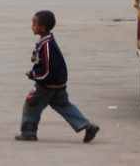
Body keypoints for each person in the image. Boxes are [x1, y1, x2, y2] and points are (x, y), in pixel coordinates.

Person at [15, 10, 100, 143]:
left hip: (48, 84)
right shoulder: (45, 41)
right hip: (57, 83)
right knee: (63, 105)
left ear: (42, 28)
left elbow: (49, 70)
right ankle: (87, 126)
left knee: (31, 103)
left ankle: (28, 132)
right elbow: (42, 57)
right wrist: (35, 58)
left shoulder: (48, 46)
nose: (32, 26)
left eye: (34, 24)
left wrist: (33, 75)